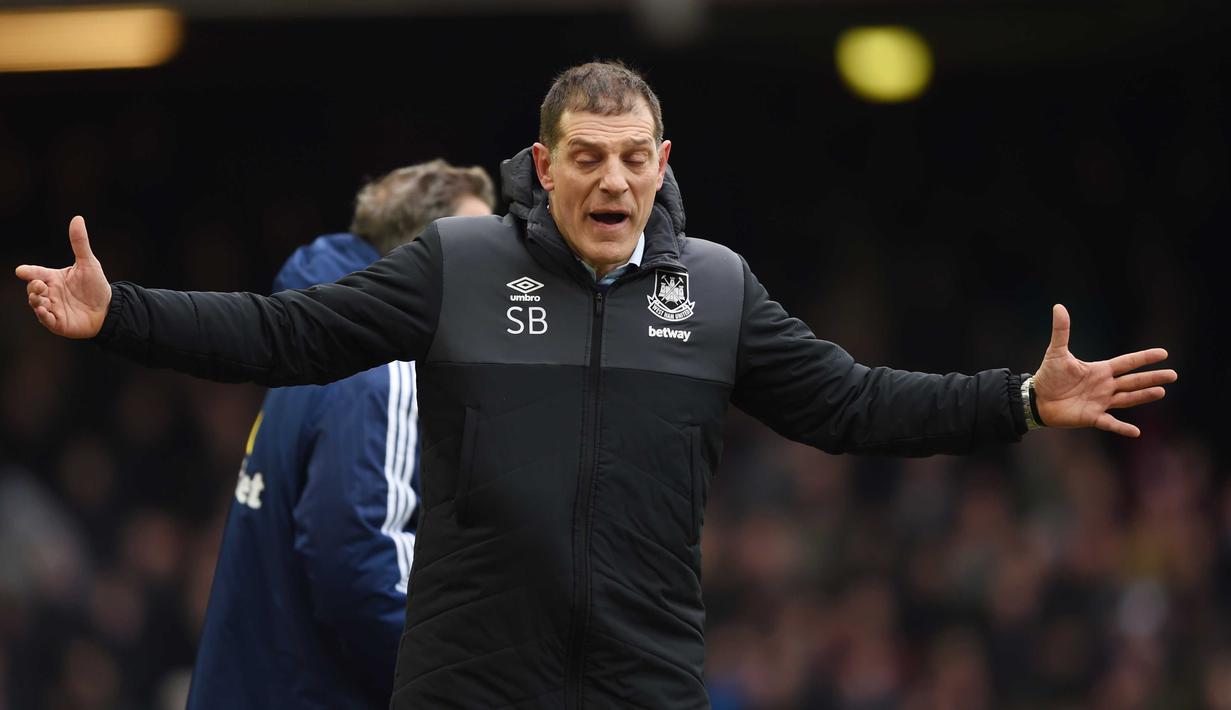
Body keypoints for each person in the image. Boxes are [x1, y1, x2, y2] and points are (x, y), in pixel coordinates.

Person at [16, 61, 1176, 710]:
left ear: (661, 164)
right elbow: (282, 334)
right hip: (471, 687)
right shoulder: (459, 267)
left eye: (632, 157)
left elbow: (851, 403)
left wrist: (1016, 399)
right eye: (587, 156)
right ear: (543, 167)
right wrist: (120, 312)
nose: (611, 178)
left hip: (642, 685)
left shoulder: (716, 291)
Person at [186, 160, 495, 710]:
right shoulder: (380, 364)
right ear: (422, 259)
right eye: (480, 254)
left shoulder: (313, 348)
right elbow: (359, 568)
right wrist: (470, 685)